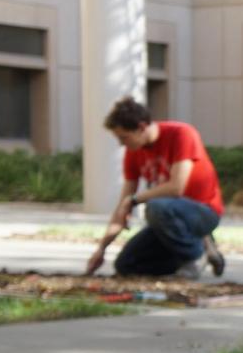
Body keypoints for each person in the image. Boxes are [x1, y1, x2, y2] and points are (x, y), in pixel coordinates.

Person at [85, 97, 226, 279]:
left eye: (124, 137)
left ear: (142, 127)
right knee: (126, 265)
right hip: (170, 218)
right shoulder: (133, 152)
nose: (121, 144)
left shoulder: (182, 134)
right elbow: (123, 206)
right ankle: (193, 252)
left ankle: (194, 258)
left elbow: (177, 187)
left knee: (156, 207)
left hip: (203, 212)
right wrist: (101, 250)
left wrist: (135, 200)